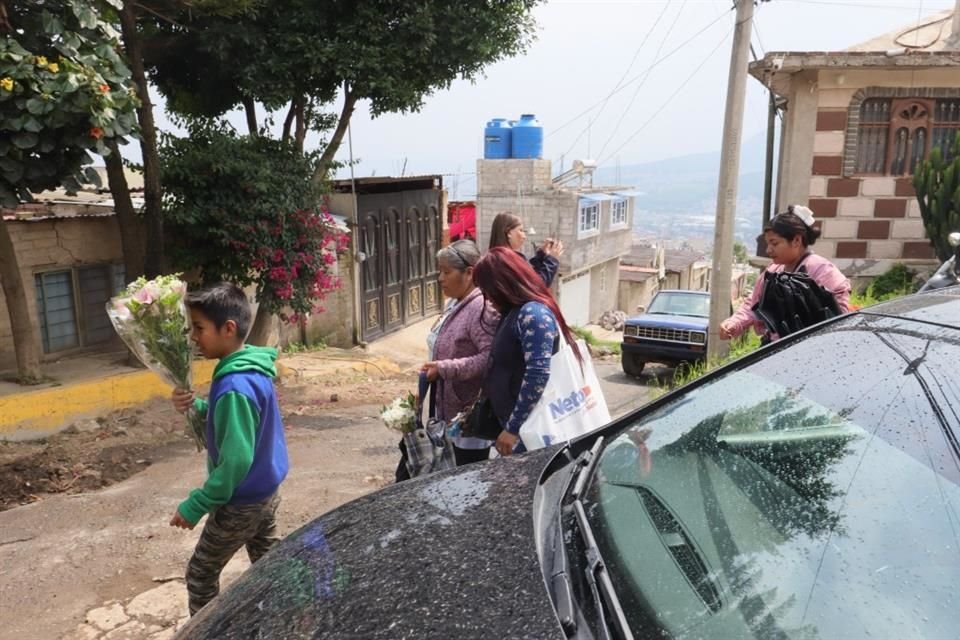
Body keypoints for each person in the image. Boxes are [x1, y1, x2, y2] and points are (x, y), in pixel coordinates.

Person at [170, 283, 289, 616]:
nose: (193, 336)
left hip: (242, 501)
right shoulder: (250, 369)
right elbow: (236, 423)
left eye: (199, 328)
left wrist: (196, 504)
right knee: (271, 567)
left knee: (200, 574)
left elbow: (236, 460)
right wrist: (195, 405)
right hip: (266, 491)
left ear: (229, 328)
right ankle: (290, 621)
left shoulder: (234, 385)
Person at [472, 247, 583, 457]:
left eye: (487, 290)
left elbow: (537, 374)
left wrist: (513, 428)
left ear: (502, 284)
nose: (487, 297)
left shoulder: (533, 314)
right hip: (518, 429)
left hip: (531, 433)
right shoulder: (513, 312)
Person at [720, 205, 851, 343]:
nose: (769, 250)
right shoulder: (773, 271)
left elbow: (838, 319)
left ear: (796, 240)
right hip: (775, 349)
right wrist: (734, 323)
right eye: (768, 244)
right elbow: (753, 304)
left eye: (774, 243)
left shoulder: (823, 271)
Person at [419, 240, 499, 466]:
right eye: (439, 271)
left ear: (470, 273)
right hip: (450, 413)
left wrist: (445, 368)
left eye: (446, 272)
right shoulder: (454, 304)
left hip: (470, 420)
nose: (440, 278)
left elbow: (488, 359)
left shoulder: (481, 308)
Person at [488, 211, 564, 287]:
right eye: (521, 230)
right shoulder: (507, 261)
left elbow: (529, 274)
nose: (524, 236)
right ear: (509, 233)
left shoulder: (495, 259)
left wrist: (542, 255)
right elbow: (536, 286)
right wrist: (552, 260)